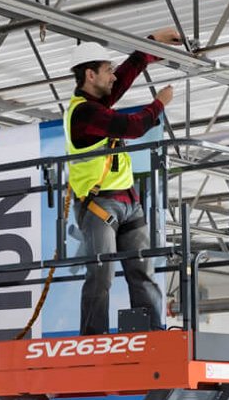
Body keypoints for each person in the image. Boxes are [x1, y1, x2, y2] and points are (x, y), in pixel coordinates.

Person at [65, 28, 181, 335]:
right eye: (107, 72)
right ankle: (93, 338)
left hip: (128, 202)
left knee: (141, 271)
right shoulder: (84, 114)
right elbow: (133, 126)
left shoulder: (96, 104)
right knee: (101, 275)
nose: (113, 77)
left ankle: (151, 333)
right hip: (99, 204)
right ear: (90, 75)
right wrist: (159, 103)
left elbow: (125, 76)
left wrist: (151, 44)